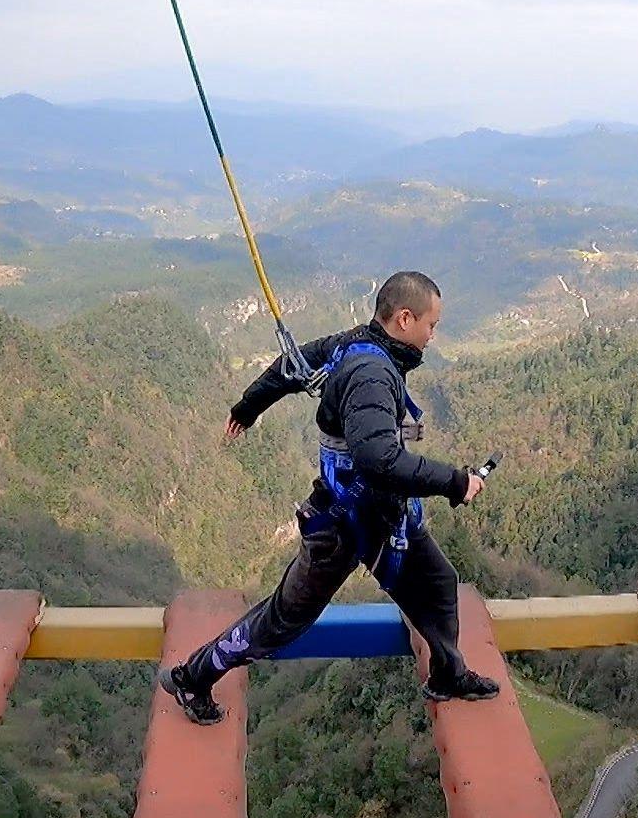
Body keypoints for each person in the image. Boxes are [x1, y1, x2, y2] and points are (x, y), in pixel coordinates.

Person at [160, 270, 499, 724]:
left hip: (378, 517)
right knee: (282, 619)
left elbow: (291, 367)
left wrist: (248, 407)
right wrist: (457, 483)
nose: (433, 335)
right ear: (403, 319)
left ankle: (448, 674)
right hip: (344, 527)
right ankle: (191, 678)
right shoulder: (373, 375)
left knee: (438, 581)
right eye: (431, 324)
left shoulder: (355, 346)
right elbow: (379, 458)